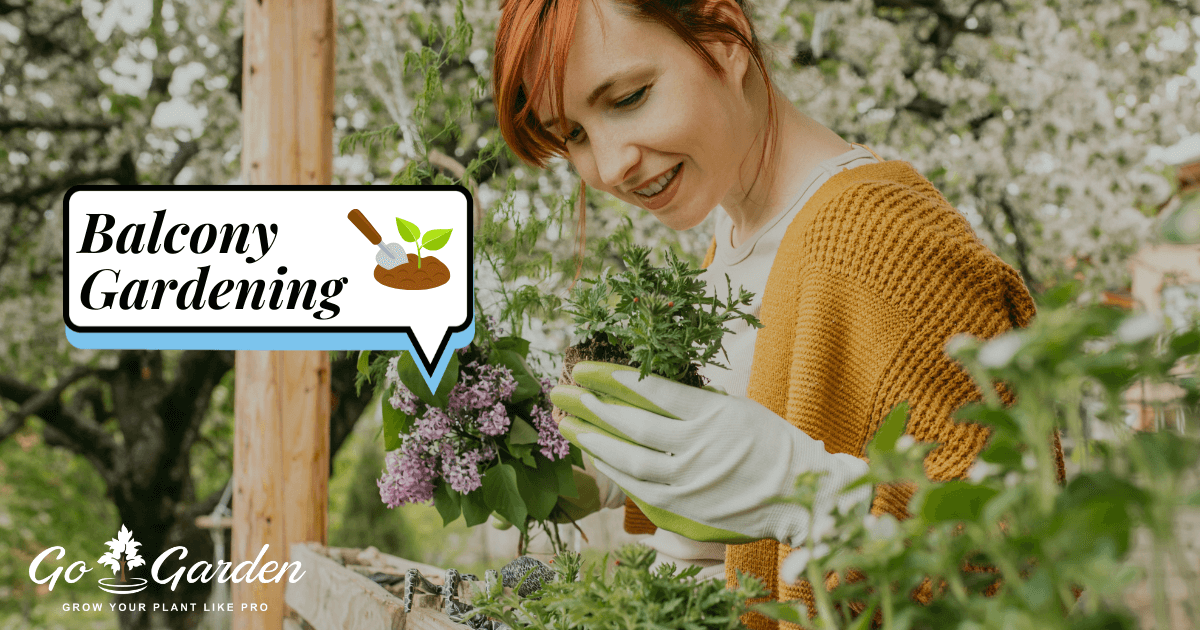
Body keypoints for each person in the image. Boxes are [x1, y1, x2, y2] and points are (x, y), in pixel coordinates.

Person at [492, 0, 1063, 626]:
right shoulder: (736, 235)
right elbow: (738, 519)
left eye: (629, 97)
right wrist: (615, 473)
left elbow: (1019, 560)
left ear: (724, 39)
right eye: (573, 133)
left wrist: (805, 491)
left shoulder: (873, 235)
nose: (608, 165)